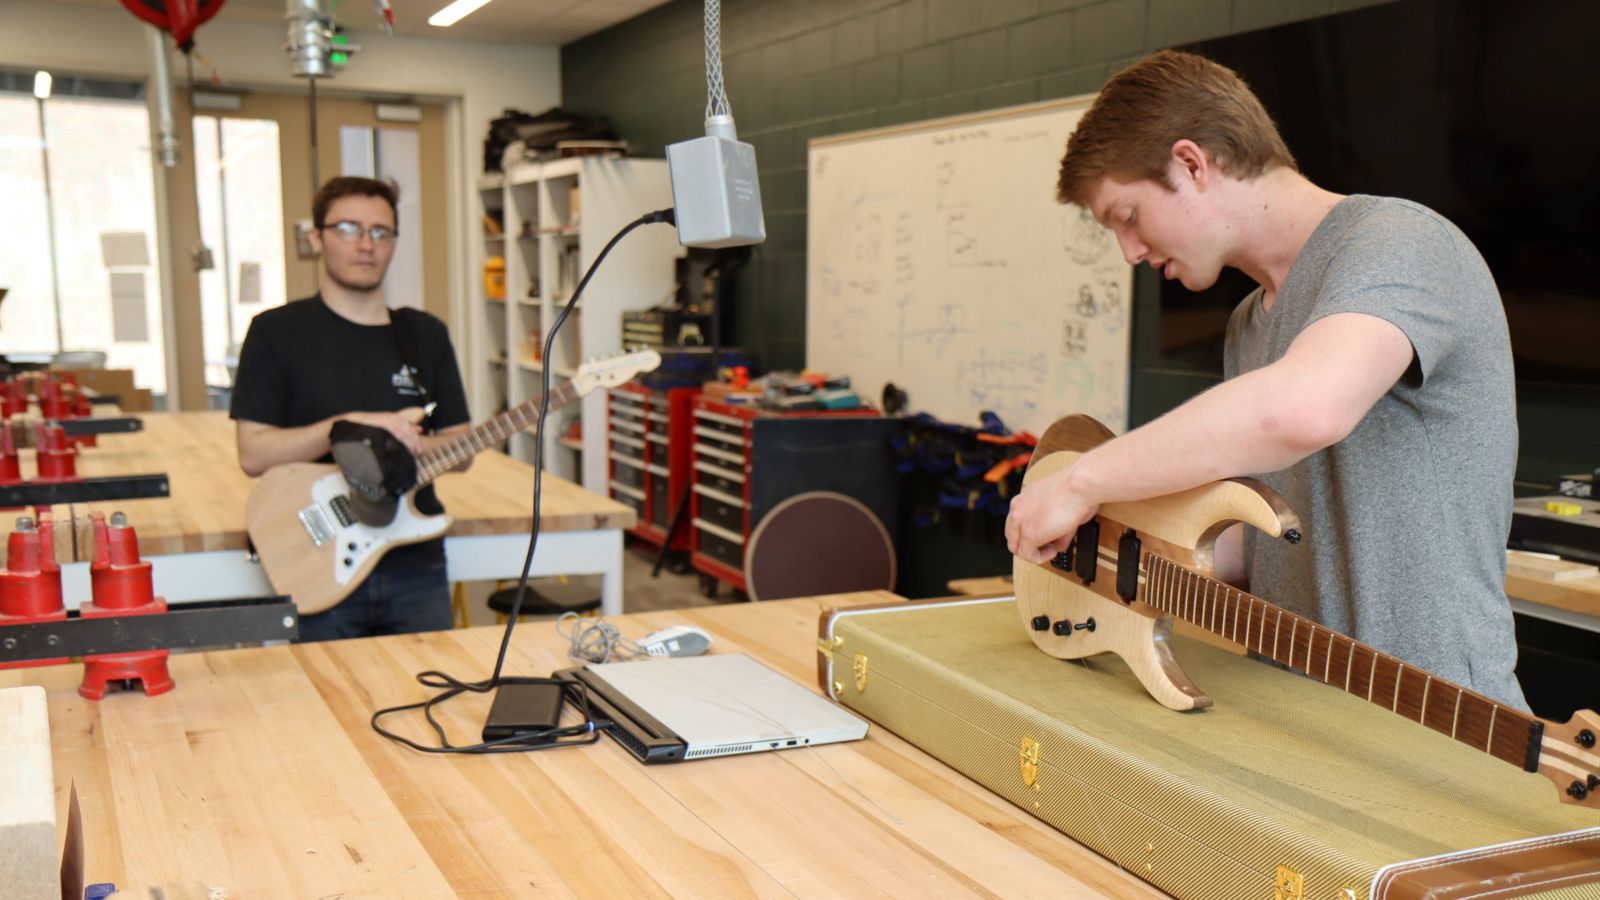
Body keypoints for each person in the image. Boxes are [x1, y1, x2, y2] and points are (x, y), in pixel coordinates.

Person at [1005, 50, 1528, 709]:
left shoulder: (1402, 244)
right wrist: (1106, 558)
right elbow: (1262, 551)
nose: (1130, 252)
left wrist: (1083, 482)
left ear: (1192, 164)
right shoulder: (1250, 324)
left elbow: (1304, 410)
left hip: (1443, 723)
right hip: (1299, 711)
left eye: (1128, 217)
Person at [231, 176, 471, 641]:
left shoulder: (425, 335)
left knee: (429, 694)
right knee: (325, 704)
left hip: (413, 559)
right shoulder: (274, 333)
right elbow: (253, 455)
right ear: (317, 237)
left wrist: (401, 443)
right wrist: (345, 430)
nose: (366, 245)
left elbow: (462, 450)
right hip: (317, 556)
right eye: (349, 228)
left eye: (381, 232)